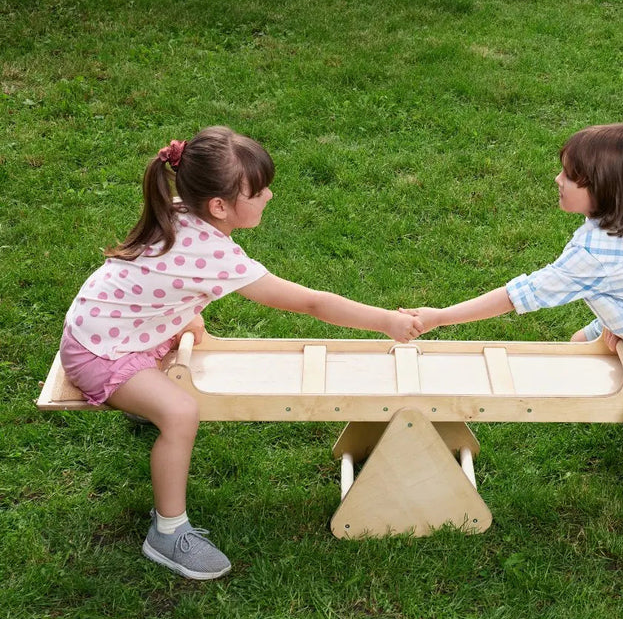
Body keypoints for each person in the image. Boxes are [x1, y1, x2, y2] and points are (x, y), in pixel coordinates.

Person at [60, 126, 423, 580]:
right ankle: (168, 533)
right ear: (219, 206)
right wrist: (385, 321)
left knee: (192, 326)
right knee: (180, 414)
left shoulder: (180, 208)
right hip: (101, 351)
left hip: (111, 325)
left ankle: (144, 399)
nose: (269, 196)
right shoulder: (210, 255)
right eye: (260, 190)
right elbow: (310, 302)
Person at [403, 123, 623, 560]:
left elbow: (522, 295)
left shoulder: (597, 251)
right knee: (580, 344)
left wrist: (441, 317)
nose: (558, 180)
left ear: (606, 190)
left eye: (570, 176)